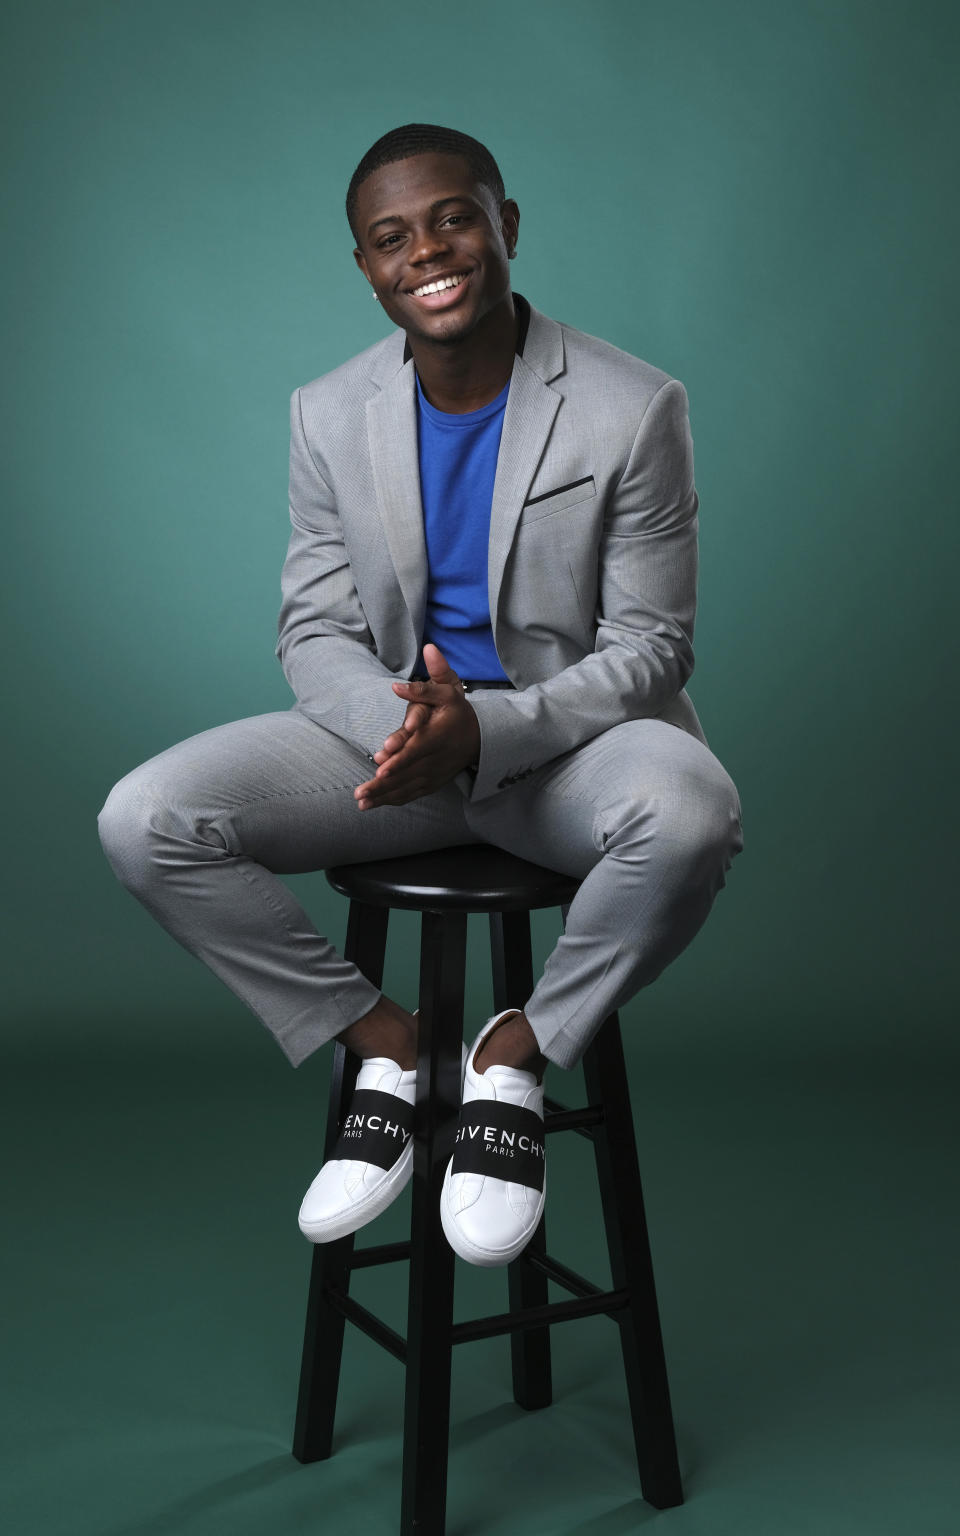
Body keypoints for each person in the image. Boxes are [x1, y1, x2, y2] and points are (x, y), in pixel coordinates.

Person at [97, 122, 744, 1269]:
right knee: (146, 819)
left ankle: (513, 1061)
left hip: (567, 754)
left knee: (694, 812)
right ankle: (386, 1048)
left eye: (453, 216)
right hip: (388, 750)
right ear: (366, 267)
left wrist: (485, 732)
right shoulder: (326, 411)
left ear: (505, 224)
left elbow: (652, 648)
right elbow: (315, 628)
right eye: (391, 238)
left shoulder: (633, 405)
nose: (428, 252)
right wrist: (407, 735)